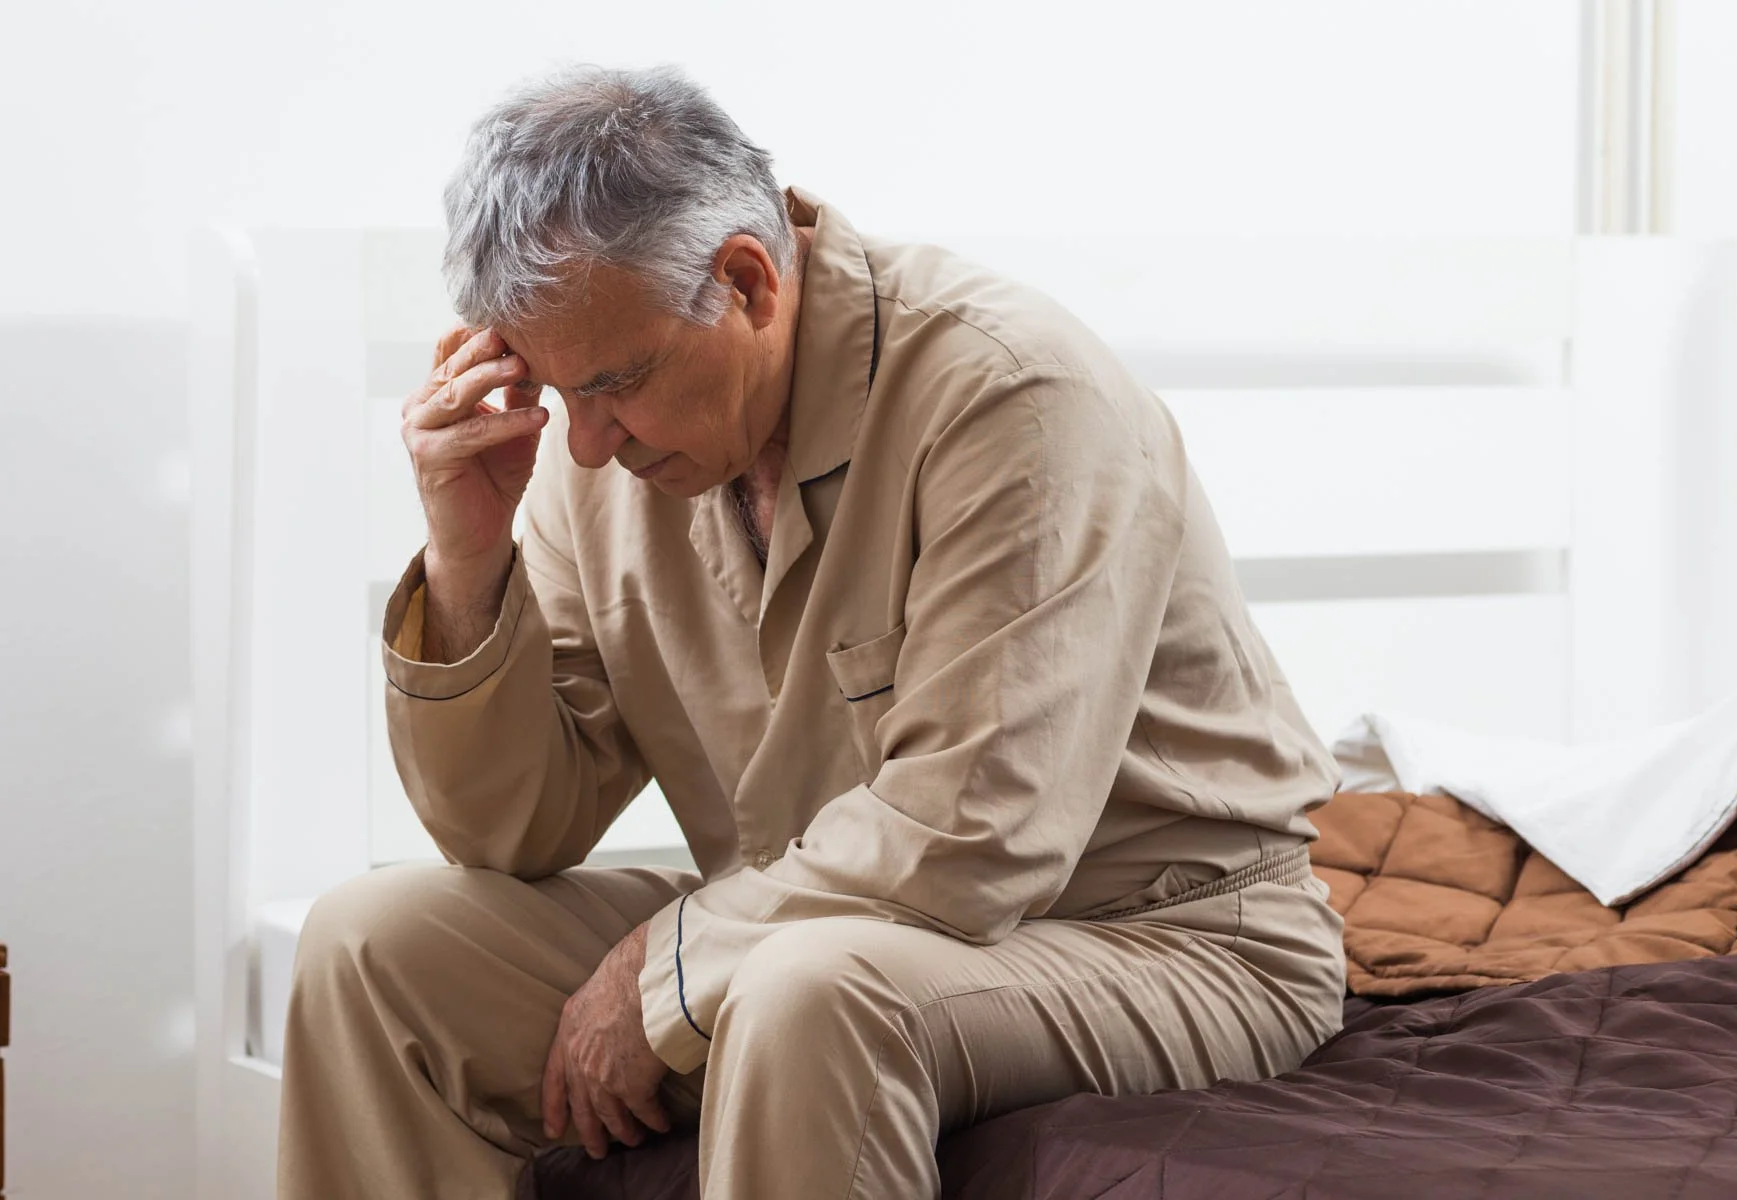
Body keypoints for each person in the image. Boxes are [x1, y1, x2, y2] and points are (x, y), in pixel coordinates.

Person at [276, 63, 1347, 1200]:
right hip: (811, 923)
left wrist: (666, 971)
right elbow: (510, 830)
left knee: (804, 995)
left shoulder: (1013, 395)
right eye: (555, 394)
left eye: (614, 387)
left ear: (746, 283)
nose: (583, 446)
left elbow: (975, 832)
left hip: (1161, 937)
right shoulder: (596, 453)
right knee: (370, 949)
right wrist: (467, 561)